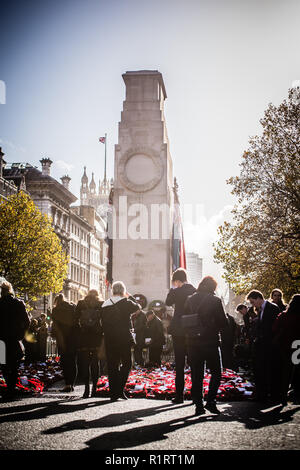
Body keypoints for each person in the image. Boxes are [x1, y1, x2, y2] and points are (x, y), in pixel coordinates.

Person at [183, 276, 228, 416]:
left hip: (193, 342)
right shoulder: (215, 300)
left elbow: (185, 320)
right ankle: (211, 401)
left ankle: (198, 404)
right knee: (216, 372)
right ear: (213, 287)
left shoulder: (190, 299)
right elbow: (223, 323)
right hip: (210, 341)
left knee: (197, 374)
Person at [101, 281, 141, 402]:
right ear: (123, 291)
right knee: (127, 363)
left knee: (112, 365)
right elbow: (138, 307)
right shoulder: (126, 302)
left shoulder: (105, 304)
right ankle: (119, 389)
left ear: (113, 290)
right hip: (123, 337)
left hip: (109, 338)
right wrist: (129, 296)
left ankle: (114, 393)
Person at [165, 268, 196, 404]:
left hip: (178, 330)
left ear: (177, 281)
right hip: (192, 330)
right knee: (195, 363)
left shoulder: (176, 291)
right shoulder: (194, 290)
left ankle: (179, 396)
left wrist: (172, 289)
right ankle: (196, 395)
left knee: (179, 364)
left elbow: (167, 302)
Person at [246, 290, 280, 403]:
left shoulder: (272, 308)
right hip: (261, 345)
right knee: (260, 369)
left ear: (258, 298)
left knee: (268, 370)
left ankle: (270, 394)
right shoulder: (261, 310)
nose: (252, 305)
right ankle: (263, 393)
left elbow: (274, 327)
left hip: (269, 345)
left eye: (252, 302)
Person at [0, 281, 30, 400]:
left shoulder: (0, 303)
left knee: (3, 364)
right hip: (14, 339)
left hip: (1, 339)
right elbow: (27, 321)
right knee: (14, 364)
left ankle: (9, 387)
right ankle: (12, 388)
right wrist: (20, 334)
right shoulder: (18, 303)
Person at [75, 290, 103, 398]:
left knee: (85, 364)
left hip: (84, 337)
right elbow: (104, 321)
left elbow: (75, 320)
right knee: (95, 363)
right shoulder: (100, 303)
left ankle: (86, 390)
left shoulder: (81, 303)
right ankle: (94, 388)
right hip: (96, 337)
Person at [272, 294, 300, 405]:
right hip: (297, 345)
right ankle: (296, 393)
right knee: (297, 370)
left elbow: (274, 328)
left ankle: (283, 394)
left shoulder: (283, 315)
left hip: (285, 346)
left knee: (286, 371)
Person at [52, 293, 77, 393]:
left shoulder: (56, 310)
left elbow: (55, 326)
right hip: (73, 339)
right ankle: (72, 384)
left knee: (65, 362)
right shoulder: (72, 307)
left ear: (56, 301)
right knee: (72, 362)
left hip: (62, 340)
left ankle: (67, 384)